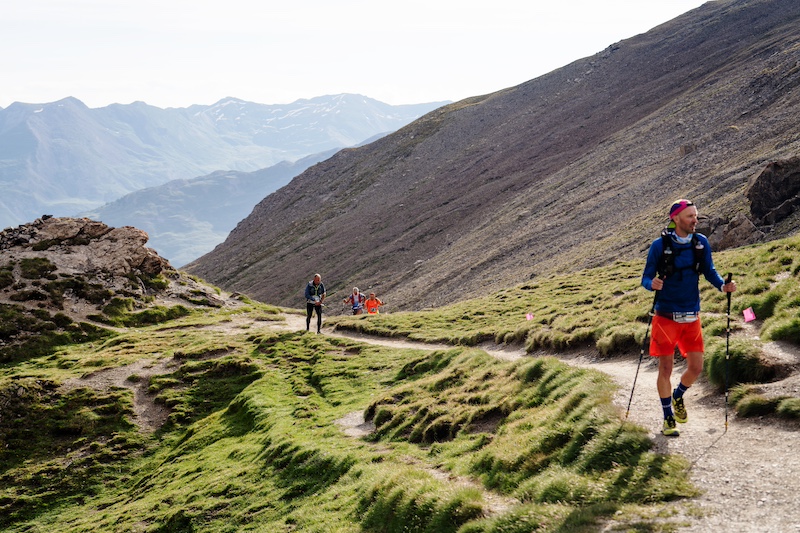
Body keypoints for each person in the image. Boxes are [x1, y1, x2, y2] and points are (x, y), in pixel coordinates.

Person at [641, 199, 736, 437]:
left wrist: (722, 286)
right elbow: (645, 277)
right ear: (675, 219)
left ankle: (678, 395)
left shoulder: (700, 243)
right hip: (665, 317)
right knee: (666, 368)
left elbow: (709, 271)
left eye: (696, 215)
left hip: (692, 315)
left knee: (696, 367)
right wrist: (650, 284)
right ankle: (667, 418)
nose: (695, 220)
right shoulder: (658, 246)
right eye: (690, 216)